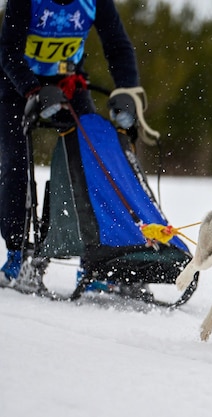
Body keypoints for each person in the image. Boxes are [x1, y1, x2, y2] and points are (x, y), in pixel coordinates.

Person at [0, 0, 151, 285]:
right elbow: (8, 51)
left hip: (68, 84)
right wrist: (32, 89)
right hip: (17, 84)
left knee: (93, 160)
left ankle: (93, 259)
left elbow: (117, 44)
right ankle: (16, 253)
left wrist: (127, 88)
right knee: (15, 164)